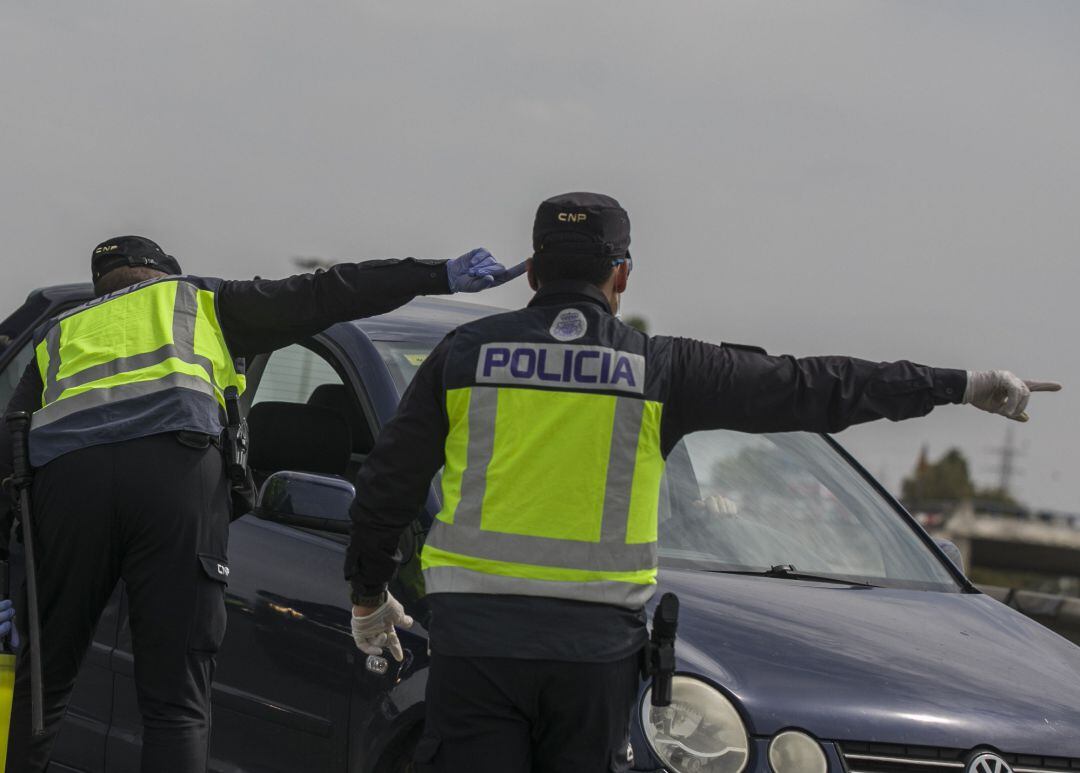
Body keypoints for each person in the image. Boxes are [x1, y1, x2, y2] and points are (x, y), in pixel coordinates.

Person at [343, 192, 1061, 772]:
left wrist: (369, 594)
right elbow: (816, 386)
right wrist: (959, 385)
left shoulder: (463, 355)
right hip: (594, 661)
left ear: (533, 271)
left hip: (479, 649)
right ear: (621, 274)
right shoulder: (664, 370)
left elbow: (389, 484)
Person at [0, 235, 525, 773]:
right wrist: (434, 274)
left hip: (70, 489)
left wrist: (10, 579)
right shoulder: (201, 300)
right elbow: (329, 292)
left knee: (43, 687)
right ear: (166, 273)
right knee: (175, 702)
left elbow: (11, 448)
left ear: (100, 288)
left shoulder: (61, 331)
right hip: (173, 480)